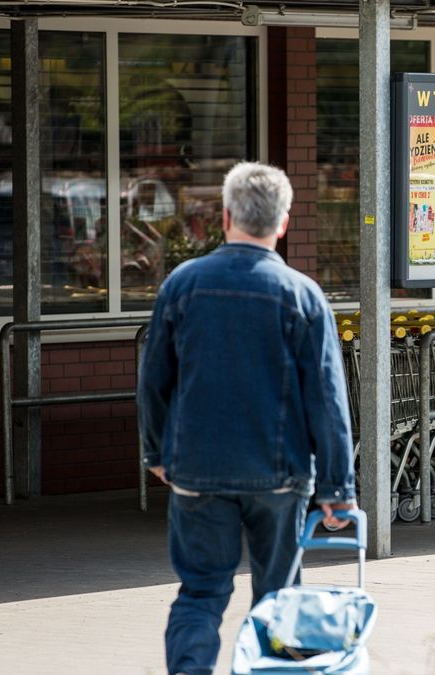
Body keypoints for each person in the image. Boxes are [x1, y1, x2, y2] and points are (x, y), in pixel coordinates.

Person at [137, 161, 356, 675]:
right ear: (283, 223)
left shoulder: (183, 285)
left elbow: (153, 380)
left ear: (227, 214)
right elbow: (327, 398)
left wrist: (156, 452)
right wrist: (336, 488)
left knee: (201, 592)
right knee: (279, 596)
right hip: (279, 476)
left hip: (196, 470)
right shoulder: (303, 296)